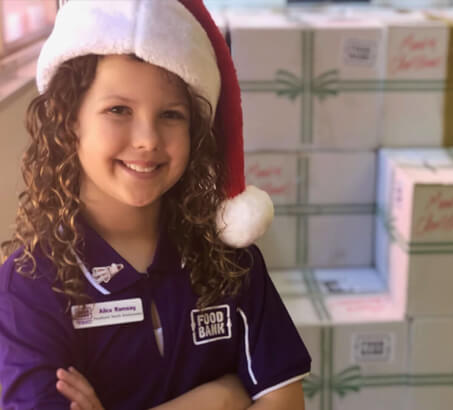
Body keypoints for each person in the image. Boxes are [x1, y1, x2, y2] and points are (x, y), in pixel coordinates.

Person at [0, 0, 311, 408]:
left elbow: (285, 401)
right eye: (118, 110)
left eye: (170, 114)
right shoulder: (26, 288)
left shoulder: (232, 262)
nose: (147, 138)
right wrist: (220, 399)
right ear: (70, 118)